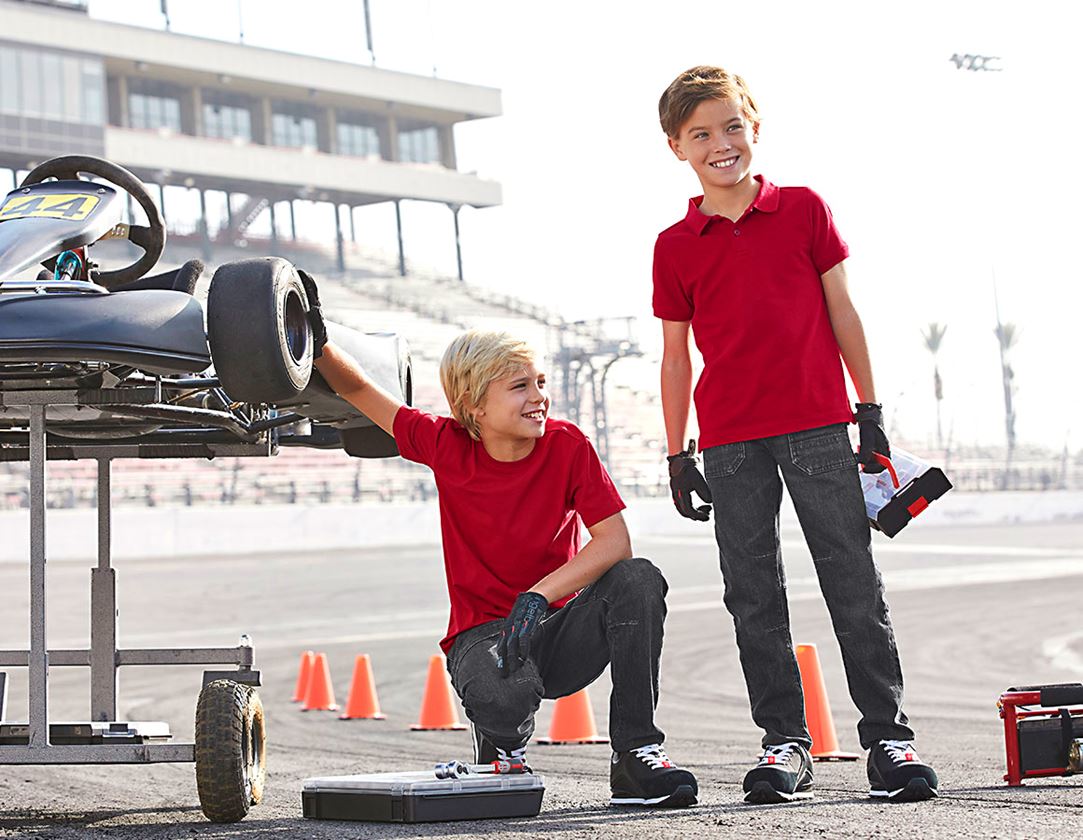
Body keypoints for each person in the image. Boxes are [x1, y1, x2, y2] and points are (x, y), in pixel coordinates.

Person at [652, 65, 939, 804]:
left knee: (851, 579)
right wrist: (676, 452)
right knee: (751, 594)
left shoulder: (804, 208)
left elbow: (843, 311)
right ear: (676, 147)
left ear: (753, 126)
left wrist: (867, 410)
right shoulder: (674, 244)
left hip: (817, 426)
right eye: (700, 135)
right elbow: (676, 354)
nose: (721, 144)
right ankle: (783, 743)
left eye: (731, 127)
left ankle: (889, 740)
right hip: (729, 441)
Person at [301, 283, 698, 809]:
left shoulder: (567, 445)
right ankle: (503, 745)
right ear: (474, 406)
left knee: (638, 580)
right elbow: (359, 392)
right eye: (519, 387)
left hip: (556, 628)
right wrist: (313, 337)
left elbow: (614, 542)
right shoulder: (444, 443)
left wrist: (538, 596)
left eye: (539, 382)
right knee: (499, 694)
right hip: (483, 637)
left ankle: (635, 754)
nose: (538, 397)